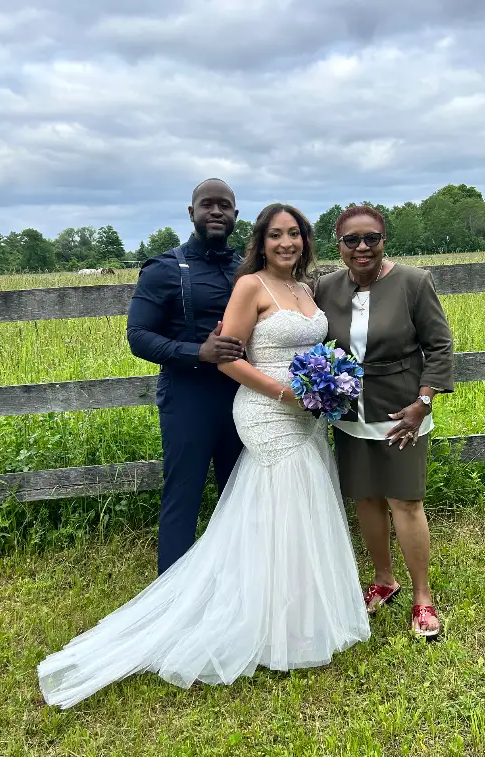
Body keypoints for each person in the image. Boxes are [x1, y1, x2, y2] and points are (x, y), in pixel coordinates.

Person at [37, 204, 369, 709]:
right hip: (267, 410)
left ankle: (300, 615)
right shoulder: (250, 286)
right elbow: (228, 360)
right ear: (261, 242)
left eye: (295, 234)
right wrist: (287, 394)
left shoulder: (306, 289)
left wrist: (327, 384)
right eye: (276, 235)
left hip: (307, 414)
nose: (286, 242)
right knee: (280, 500)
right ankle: (260, 621)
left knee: (301, 506)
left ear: (305, 240)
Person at [314, 205, 454, 638]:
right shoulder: (325, 288)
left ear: (383, 240)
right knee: (366, 497)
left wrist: (423, 402)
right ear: (338, 244)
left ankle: (423, 597)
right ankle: (383, 580)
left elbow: (440, 345)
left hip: (402, 412)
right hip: (349, 412)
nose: (362, 247)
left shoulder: (414, 282)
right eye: (351, 240)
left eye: (371, 238)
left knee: (405, 501)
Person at [126, 179, 245, 574]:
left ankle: (235, 580)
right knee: (183, 494)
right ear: (191, 212)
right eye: (207, 204)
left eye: (224, 205)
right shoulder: (163, 269)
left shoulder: (248, 269)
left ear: (235, 215)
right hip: (188, 398)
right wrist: (198, 352)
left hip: (244, 397)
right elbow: (138, 335)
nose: (216, 211)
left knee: (239, 493)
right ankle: (172, 589)